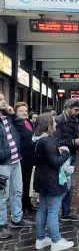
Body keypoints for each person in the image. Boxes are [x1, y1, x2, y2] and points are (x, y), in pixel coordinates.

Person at [33, 112, 74, 251]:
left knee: (43, 209)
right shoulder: (48, 141)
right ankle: (56, 240)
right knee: (53, 210)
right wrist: (65, 153)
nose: (56, 124)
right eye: (53, 122)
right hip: (51, 179)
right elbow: (55, 162)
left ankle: (41, 239)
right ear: (48, 124)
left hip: (41, 178)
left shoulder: (38, 140)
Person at [0, 92, 34, 240]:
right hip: (3, 163)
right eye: (0, 99)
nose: (3, 101)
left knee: (17, 191)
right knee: (2, 196)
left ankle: (16, 219)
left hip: (15, 160)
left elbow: (24, 132)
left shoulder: (8, 117)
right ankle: (1, 226)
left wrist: (14, 115)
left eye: (3, 98)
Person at [55, 99, 79, 222]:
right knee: (66, 184)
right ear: (68, 107)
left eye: (78, 110)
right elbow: (57, 140)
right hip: (64, 155)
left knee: (70, 185)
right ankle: (55, 211)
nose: (77, 113)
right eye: (75, 110)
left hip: (71, 153)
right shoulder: (59, 120)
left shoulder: (74, 119)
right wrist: (73, 142)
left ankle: (66, 212)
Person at [14, 102, 36, 213]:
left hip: (30, 156)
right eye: (21, 111)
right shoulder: (16, 125)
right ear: (16, 113)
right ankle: (22, 206)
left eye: (25, 111)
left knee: (28, 181)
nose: (24, 113)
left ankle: (28, 203)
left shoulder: (28, 122)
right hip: (21, 157)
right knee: (21, 183)